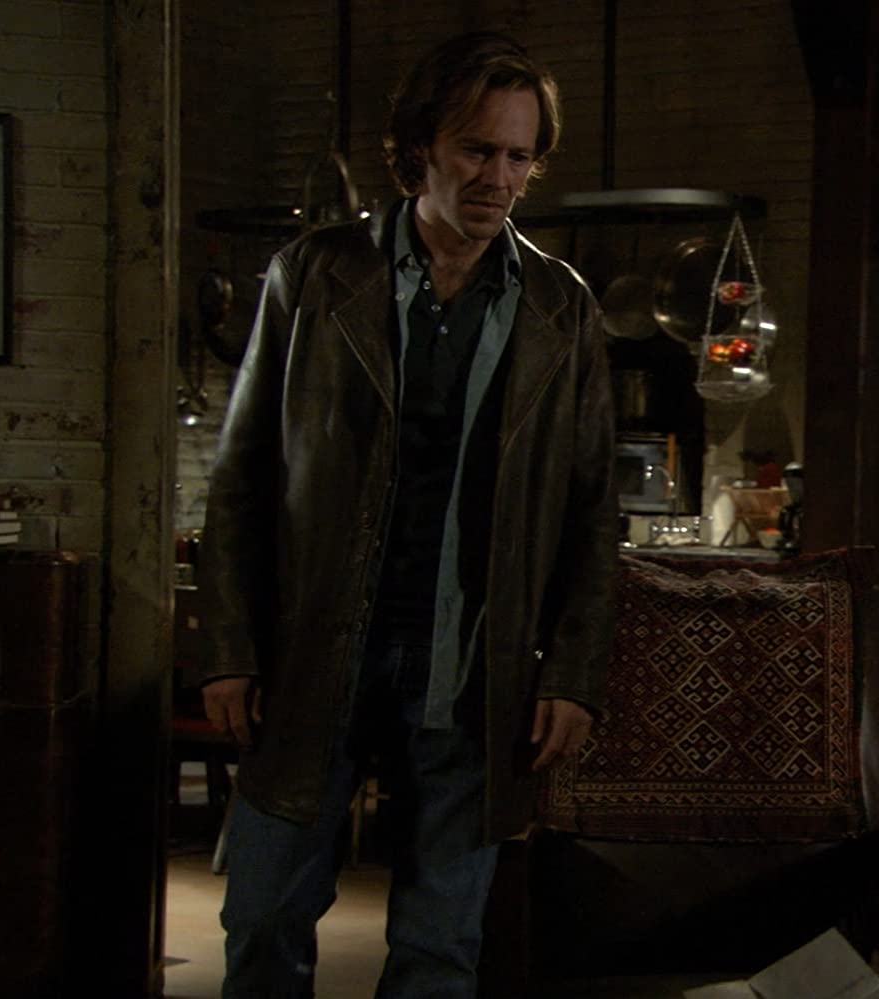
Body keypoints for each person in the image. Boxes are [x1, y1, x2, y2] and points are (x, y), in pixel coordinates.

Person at [193, 31, 616, 997]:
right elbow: (242, 473)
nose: (498, 179)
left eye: (518, 157)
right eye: (477, 150)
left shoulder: (560, 305)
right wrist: (227, 645)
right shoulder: (316, 274)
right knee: (262, 919)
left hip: (472, 662)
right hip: (316, 649)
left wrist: (574, 671)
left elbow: (593, 509)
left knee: (439, 949)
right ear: (421, 145)